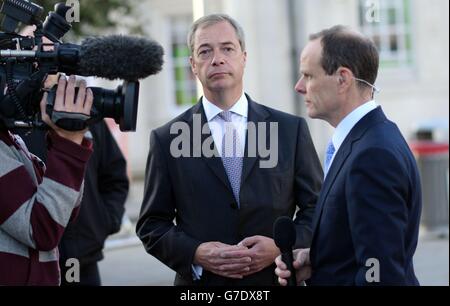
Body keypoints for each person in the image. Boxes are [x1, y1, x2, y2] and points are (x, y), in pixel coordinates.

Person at [136, 14, 323, 286]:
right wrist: (197, 253)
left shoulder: (289, 130)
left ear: (243, 58)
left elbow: (317, 210)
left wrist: (281, 246)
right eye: (205, 51)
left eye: (227, 48)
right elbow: (152, 225)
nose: (217, 58)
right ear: (193, 65)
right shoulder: (166, 139)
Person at [275, 25, 422, 286]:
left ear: (342, 79)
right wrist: (318, 260)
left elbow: (379, 274)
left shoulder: (372, 155)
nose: (299, 87)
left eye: (308, 76)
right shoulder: (367, 139)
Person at [0, 75, 94, 285]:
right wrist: (69, 144)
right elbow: (41, 229)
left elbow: (64, 211)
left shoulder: (12, 140)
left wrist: (71, 136)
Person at [15, 119, 129, 286]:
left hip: (84, 260)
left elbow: (115, 175)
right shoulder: (13, 115)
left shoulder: (88, 114)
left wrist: (107, 221)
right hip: (31, 265)